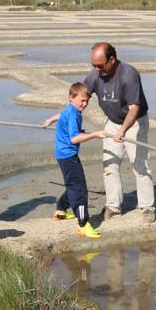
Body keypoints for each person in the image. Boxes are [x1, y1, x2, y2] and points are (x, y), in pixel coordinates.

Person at [83, 42, 156, 223]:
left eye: (100, 65)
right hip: (113, 122)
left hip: (134, 123)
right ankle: (113, 207)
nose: (97, 70)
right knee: (110, 165)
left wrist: (123, 131)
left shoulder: (128, 74)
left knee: (140, 166)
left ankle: (147, 207)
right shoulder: (96, 75)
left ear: (112, 60)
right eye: (94, 66)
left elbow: (134, 108)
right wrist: (63, 118)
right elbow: (80, 96)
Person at [41, 83, 106, 238]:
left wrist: (51, 119)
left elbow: (61, 115)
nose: (84, 104)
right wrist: (95, 134)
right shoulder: (73, 114)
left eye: (87, 102)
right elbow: (75, 138)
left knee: (73, 185)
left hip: (63, 154)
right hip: (68, 156)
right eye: (82, 100)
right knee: (80, 190)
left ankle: (60, 209)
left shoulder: (70, 109)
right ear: (71, 97)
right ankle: (83, 224)